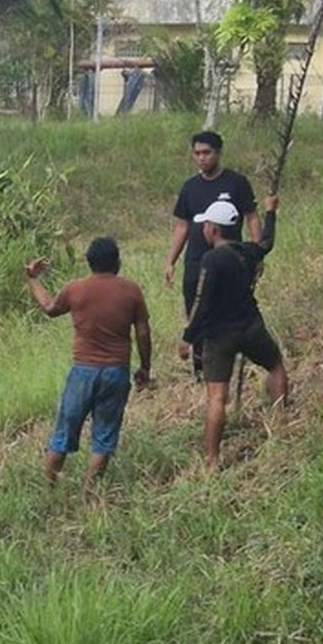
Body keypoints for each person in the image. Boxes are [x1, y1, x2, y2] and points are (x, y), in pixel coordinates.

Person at [26, 237, 152, 492]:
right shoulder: (131, 290)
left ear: (90, 262)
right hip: (116, 371)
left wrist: (32, 279)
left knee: (62, 434)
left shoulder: (76, 289)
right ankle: (90, 492)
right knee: (104, 438)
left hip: (82, 371)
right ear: (117, 261)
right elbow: (142, 332)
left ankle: (48, 490)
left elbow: (50, 308)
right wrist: (145, 366)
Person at [180, 195, 287, 472]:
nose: (204, 230)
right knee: (275, 366)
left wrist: (187, 337)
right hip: (251, 327)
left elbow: (201, 302)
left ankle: (212, 461)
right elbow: (267, 243)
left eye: (206, 226)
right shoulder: (248, 251)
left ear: (213, 229)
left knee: (217, 397)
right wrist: (270, 212)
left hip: (219, 336)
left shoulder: (211, 260)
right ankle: (280, 424)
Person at [166, 131, 260, 378]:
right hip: (196, 262)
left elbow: (251, 217)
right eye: (197, 153)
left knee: (229, 310)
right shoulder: (190, 187)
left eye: (206, 152)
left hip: (230, 261)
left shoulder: (236, 183)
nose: (201, 158)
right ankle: (200, 370)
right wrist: (171, 261)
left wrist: (257, 253)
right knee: (196, 311)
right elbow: (182, 226)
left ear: (218, 153)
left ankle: (231, 362)